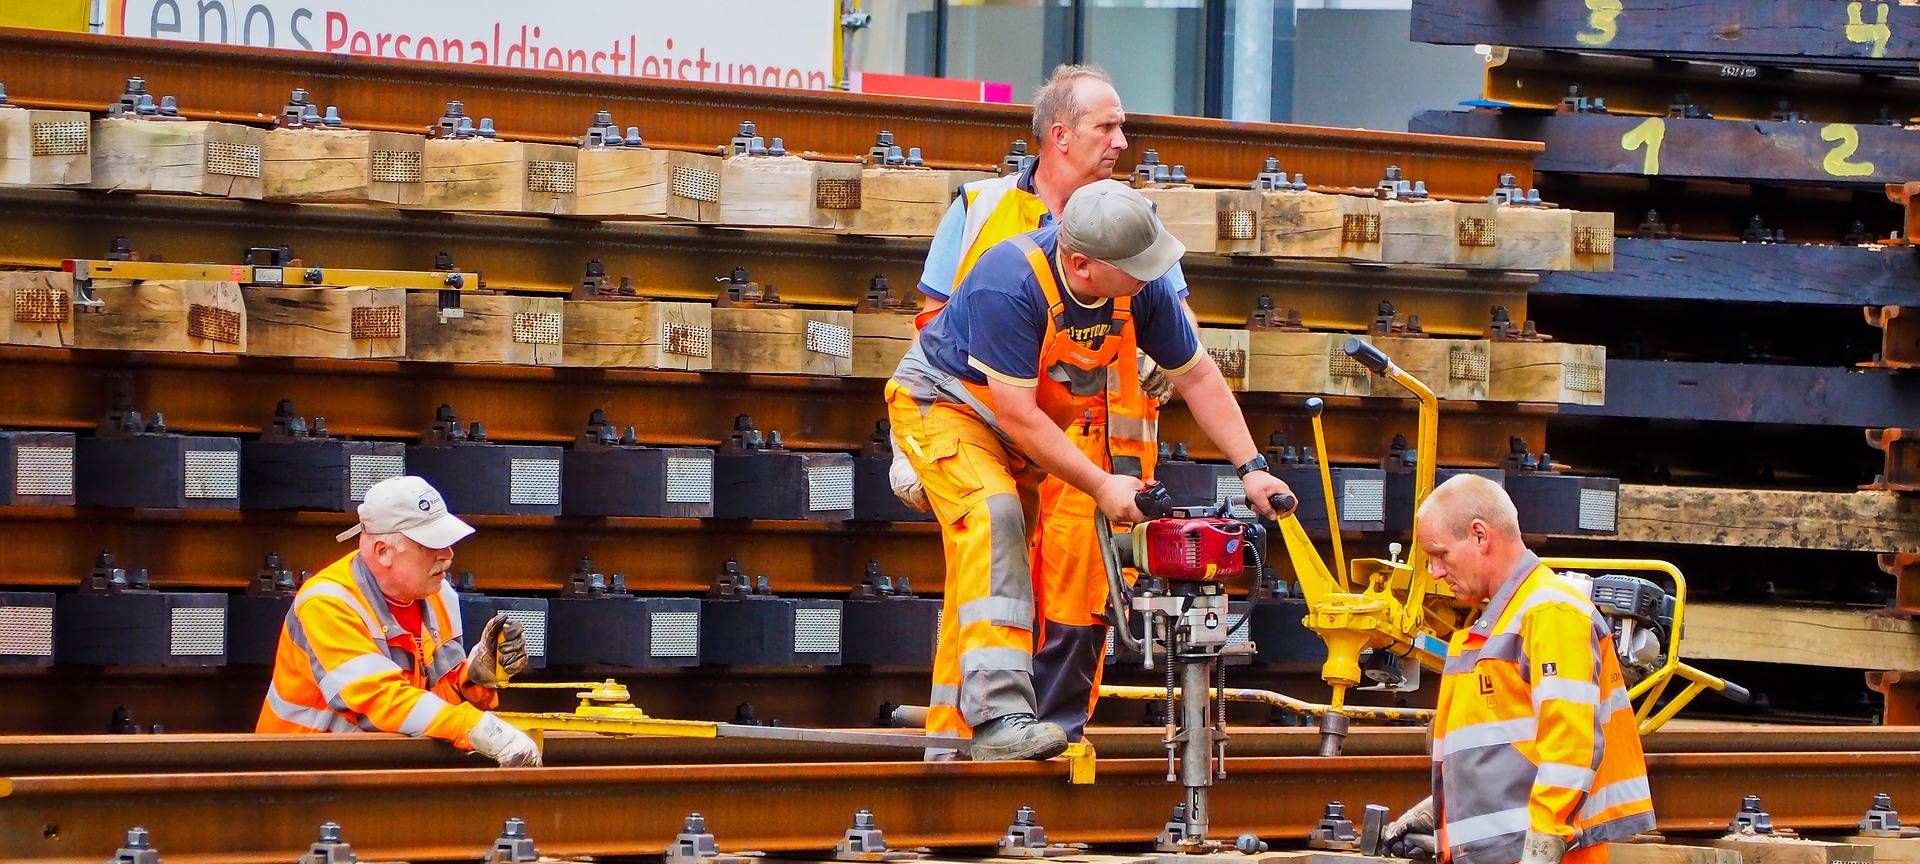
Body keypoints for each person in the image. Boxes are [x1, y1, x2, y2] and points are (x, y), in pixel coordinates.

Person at [887, 180, 1296, 760]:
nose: (1148, 279)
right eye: (1135, 269)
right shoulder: (1012, 281)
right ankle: (1001, 717)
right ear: (1081, 265)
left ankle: (952, 743)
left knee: (987, 569)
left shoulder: (1139, 289)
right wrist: (1102, 485)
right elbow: (1019, 415)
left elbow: (1197, 375)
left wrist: (1251, 467)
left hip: (1013, 428)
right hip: (943, 407)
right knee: (995, 517)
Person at [892, 63, 1192, 745]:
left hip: (1097, 456)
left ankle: (1046, 748)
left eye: (1123, 127)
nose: (1123, 141)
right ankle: (964, 735)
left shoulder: (1133, 224)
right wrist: (916, 447)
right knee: (991, 571)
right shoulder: (982, 210)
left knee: (1080, 605)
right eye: (1108, 126)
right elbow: (936, 332)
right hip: (1007, 430)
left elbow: (1182, 340)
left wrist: (1162, 363)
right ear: (1060, 134)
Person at [1383, 475, 1654, 864]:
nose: (1437, 572)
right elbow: (1508, 754)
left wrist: (1542, 849)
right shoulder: (1506, 620)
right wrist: (1443, 812)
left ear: (1479, 535)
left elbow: (1569, 748)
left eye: (1440, 555)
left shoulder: (1548, 613)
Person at [256, 475, 541, 767]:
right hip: (301, 775)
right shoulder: (327, 604)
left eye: (447, 542)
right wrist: (482, 730)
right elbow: (380, 700)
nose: (448, 555)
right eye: (430, 544)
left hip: (373, 770)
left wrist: (475, 679)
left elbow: (432, 702)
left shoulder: (439, 594)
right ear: (383, 552)